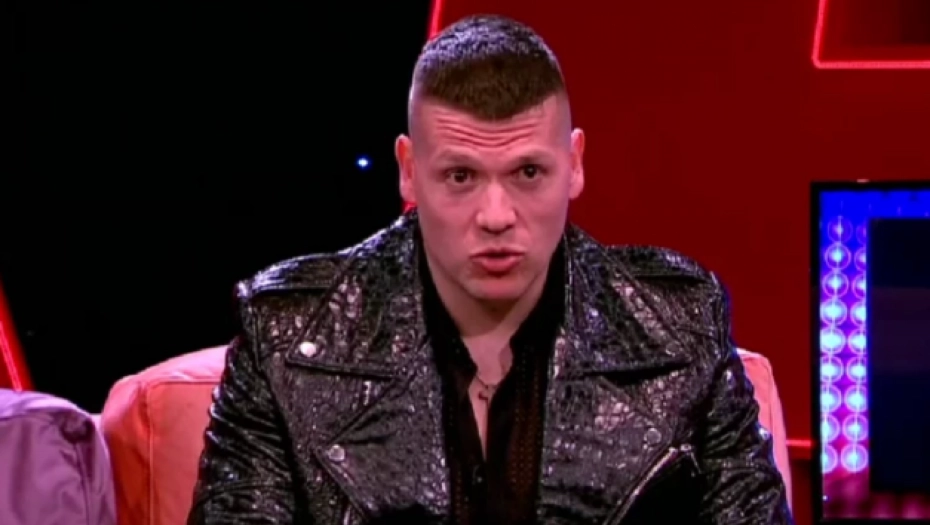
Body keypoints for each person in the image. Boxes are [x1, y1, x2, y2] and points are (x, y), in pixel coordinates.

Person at [188, 14, 793, 525]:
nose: (496, 216)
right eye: (461, 176)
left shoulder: (681, 326)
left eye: (528, 173)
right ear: (409, 171)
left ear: (575, 164)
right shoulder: (284, 338)